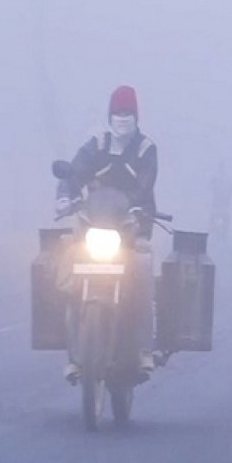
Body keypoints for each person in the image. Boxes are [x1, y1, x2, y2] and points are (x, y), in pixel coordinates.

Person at [55, 85, 158, 383]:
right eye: (117, 112)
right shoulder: (96, 145)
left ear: (136, 115)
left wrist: (139, 209)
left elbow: (145, 185)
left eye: (127, 112)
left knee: (143, 266)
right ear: (109, 115)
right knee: (67, 263)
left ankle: (143, 350)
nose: (122, 118)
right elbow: (74, 173)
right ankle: (74, 356)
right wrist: (65, 196)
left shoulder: (146, 149)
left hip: (131, 226)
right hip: (93, 225)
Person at [209, 162, 232, 239]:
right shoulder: (218, 179)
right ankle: (218, 232)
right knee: (215, 218)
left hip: (222, 203)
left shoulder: (225, 179)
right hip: (219, 203)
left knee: (222, 218)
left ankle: (221, 233)